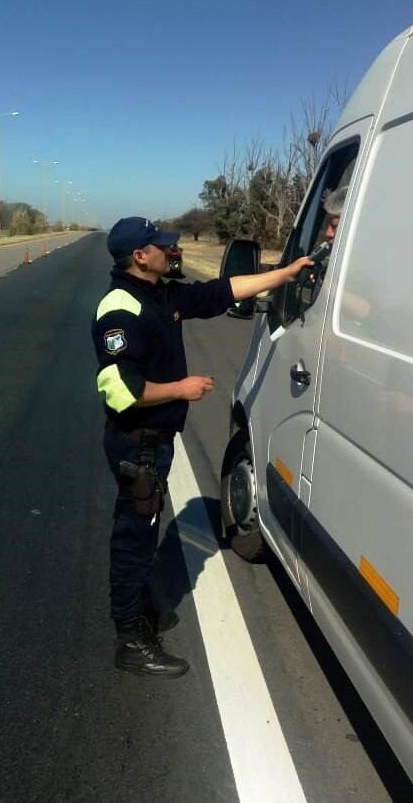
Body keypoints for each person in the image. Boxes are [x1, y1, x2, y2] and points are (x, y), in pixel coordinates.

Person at [92, 216, 313, 678]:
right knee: (134, 534)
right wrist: (181, 388)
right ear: (140, 256)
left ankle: (140, 609)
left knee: (146, 527)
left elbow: (222, 291)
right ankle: (131, 636)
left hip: (154, 441)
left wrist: (286, 272)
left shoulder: (160, 293)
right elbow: (118, 389)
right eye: (162, 247)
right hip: (140, 442)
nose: (171, 252)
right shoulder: (120, 308)